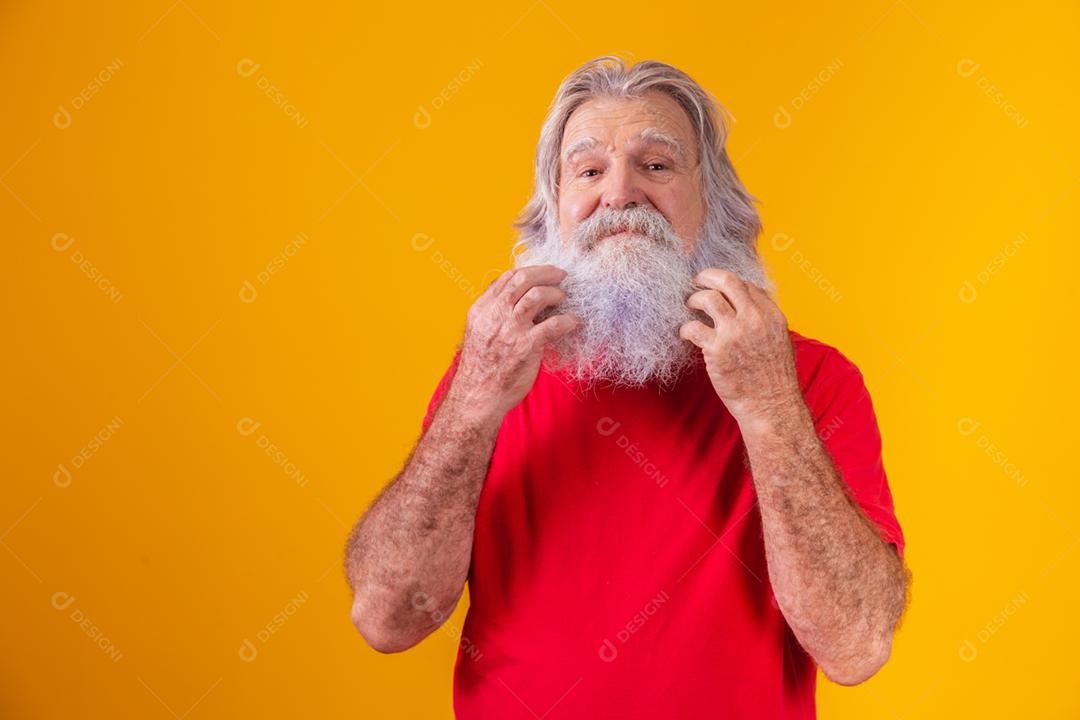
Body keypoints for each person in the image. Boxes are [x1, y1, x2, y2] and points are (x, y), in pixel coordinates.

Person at [344, 55, 909, 719]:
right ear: (553, 210)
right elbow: (387, 618)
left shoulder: (809, 379)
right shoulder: (491, 372)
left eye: (657, 165)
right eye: (589, 169)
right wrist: (472, 398)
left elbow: (856, 646)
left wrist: (768, 407)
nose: (619, 194)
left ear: (713, 204)